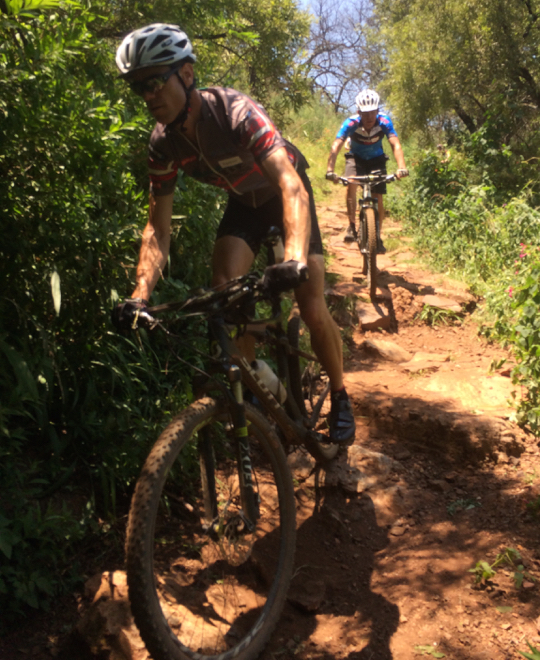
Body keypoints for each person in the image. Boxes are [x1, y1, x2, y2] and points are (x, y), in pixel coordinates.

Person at [111, 23, 356, 443]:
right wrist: (139, 295)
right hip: (245, 203)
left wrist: (294, 258)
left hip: (285, 192)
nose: (148, 96)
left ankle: (340, 396)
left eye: (154, 82)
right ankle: (255, 399)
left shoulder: (235, 112)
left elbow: (290, 184)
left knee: (311, 303)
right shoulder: (162, 145)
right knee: (224, 293)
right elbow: (157, 229)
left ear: (186, 75)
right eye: (139, 89)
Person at [326, 89, 408, 251]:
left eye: (373, 112)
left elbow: (395, 144)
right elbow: (336, 145)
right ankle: (351, 225)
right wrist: (330, 169)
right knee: (351, 184)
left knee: (378, 197)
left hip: (377, 160)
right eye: (365, 113)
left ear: (377, 111)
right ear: (358, 112)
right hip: (356, 158)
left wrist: (402, 167)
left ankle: (376, 235)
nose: (369, 117)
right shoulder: (351, 123)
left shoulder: (384, 121)